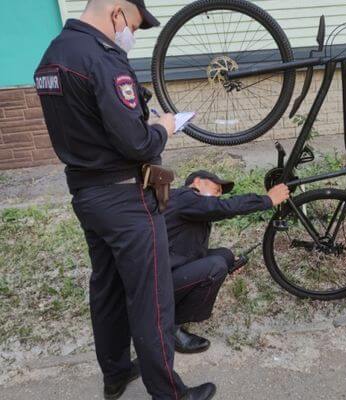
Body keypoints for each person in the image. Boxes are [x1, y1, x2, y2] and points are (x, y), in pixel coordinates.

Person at [35, 1, 215, 399]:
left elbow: (91, 123)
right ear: (116, 12)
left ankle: (115, 374)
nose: (129, 35)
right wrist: (163, 128)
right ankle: (170, 394)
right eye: (132, 25)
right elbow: (137, 143)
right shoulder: (103, 59)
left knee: (108, 289)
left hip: (87, 194)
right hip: (125, 199)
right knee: (152, 298)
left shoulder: (53, 55)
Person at [164, 170, 290, 353]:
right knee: (215, 267)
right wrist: (267, 200)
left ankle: (175, 309)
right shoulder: (185, 196)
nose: (219, 195)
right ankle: (170, 328)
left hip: (171, 271)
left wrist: (228, 264)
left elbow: (191, 251)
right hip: (156, 285)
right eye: (216, 189)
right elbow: (225, 207)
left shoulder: (193, 209)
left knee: (225, 256)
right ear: (197, 182)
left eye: (220, 193)